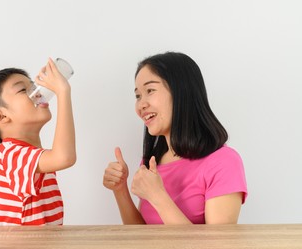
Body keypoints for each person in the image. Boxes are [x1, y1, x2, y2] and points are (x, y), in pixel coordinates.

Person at [103, 52, 247, 225]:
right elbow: (141, 236)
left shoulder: (223, 162)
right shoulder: (153, 161)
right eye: (138, 95)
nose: (141, 104)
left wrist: (158, 196)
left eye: (150, 91)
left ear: (181, 92)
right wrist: (120, 190)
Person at [0, 58, 76, 225]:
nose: (37, 93)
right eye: (23, 90)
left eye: (34, 86)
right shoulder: (10, 154)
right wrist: (63, 92)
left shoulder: (32, 157)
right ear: (1, 116)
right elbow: (64, 157)